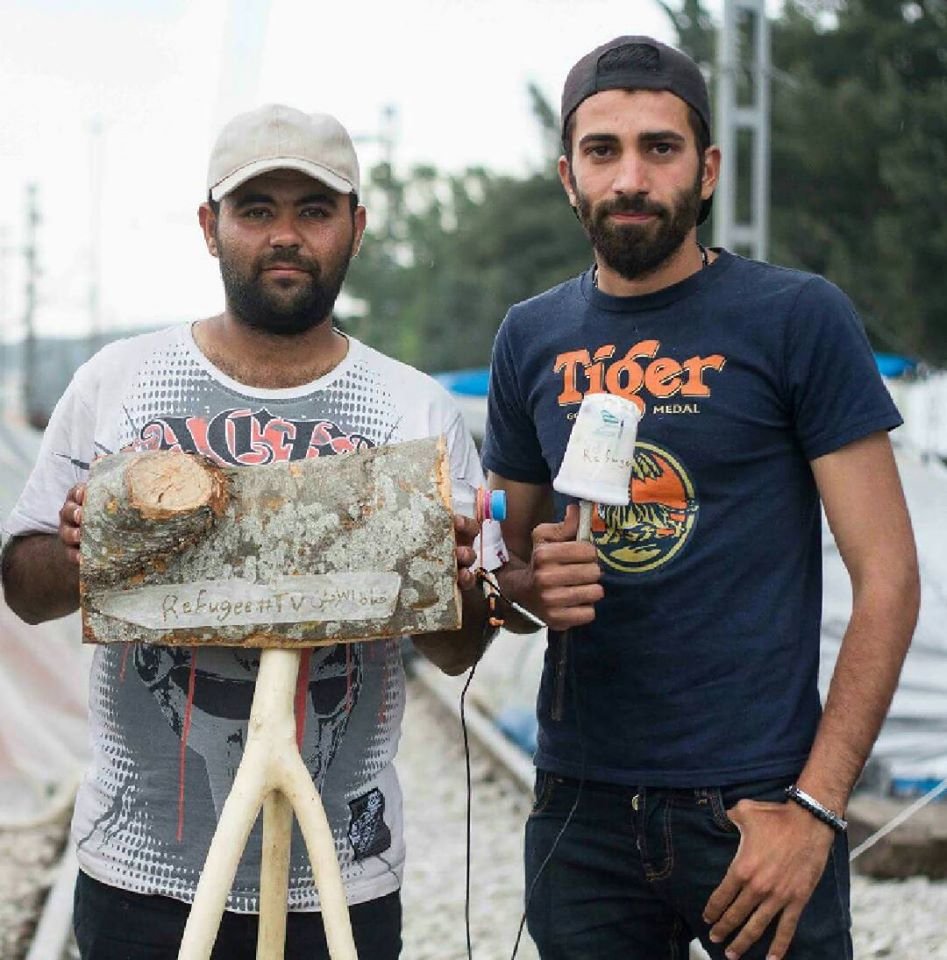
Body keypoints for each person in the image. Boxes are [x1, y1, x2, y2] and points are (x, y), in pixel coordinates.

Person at [1, 103, 502, 960]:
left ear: (356, 227)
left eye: (313, 210)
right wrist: (80, 551)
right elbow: (23, 587)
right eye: (255, 209)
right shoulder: (121, 383)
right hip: (139, 866)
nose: (284, 235)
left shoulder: (414, 409)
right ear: (210, 225)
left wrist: (456, 585)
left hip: (340, 871)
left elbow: (458, 654)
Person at [482, 36, 919, 960]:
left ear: (708, 167)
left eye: (660, 147)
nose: (630, 176)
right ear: (568, 175)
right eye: (602, 151)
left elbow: (888, 578)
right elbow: (507, 575)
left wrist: (814, 809)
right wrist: (525, 587)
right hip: (579, 812)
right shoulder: (530, 336)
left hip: (755, 803)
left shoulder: (796, 318)